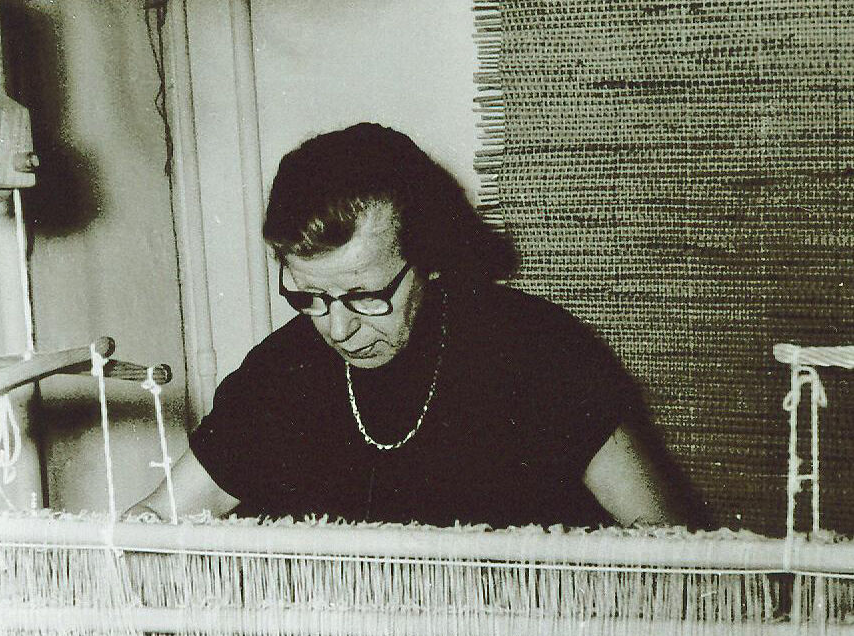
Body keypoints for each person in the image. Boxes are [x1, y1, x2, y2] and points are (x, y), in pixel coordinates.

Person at [128, 123, 699, 528]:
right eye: (309, 296)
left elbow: (674, 547)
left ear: (430, 259)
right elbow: (158, 517)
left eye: (365, 295)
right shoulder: (283, 369)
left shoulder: (538, 351)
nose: (337, 329)